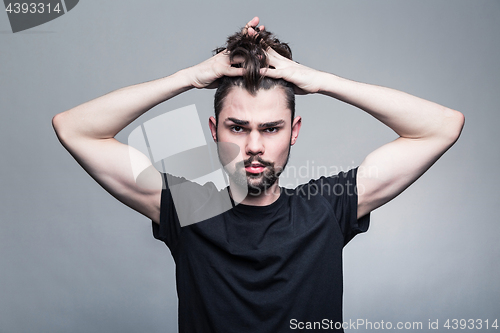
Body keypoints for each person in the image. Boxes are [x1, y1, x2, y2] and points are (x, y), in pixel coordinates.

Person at [52, 17, 464, 332]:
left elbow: (442, 125)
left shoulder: (328, 207)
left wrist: (319, 81)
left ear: (294, 131)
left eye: (270, 128)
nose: (253, 146)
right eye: (237, 127)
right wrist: (188, 78)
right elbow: (74, 128)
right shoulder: (189, 210)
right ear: (214, 132)